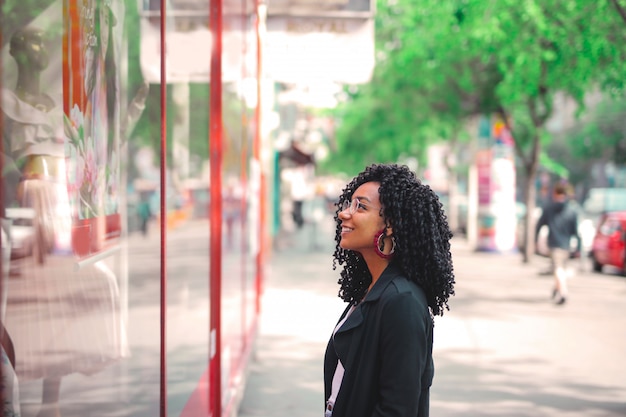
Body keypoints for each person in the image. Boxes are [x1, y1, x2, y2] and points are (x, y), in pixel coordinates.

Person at [323, 163, 456, 417]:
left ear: (391, 224)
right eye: (349, 204)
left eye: (360, 206)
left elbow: (396, 409)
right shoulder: (371, 289)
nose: (344, 214)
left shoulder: (401, 301)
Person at [535, 182, 581, 305]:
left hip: (555, 244)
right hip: (566, 245)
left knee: (558, 269)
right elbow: (576, 232)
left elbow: (539, 225)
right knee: (559, 269)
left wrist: (535, 241)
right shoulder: (571, 211)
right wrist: (578, 247)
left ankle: (562, 292)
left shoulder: (549, 208)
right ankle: (558, 289)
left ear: (555, 194)